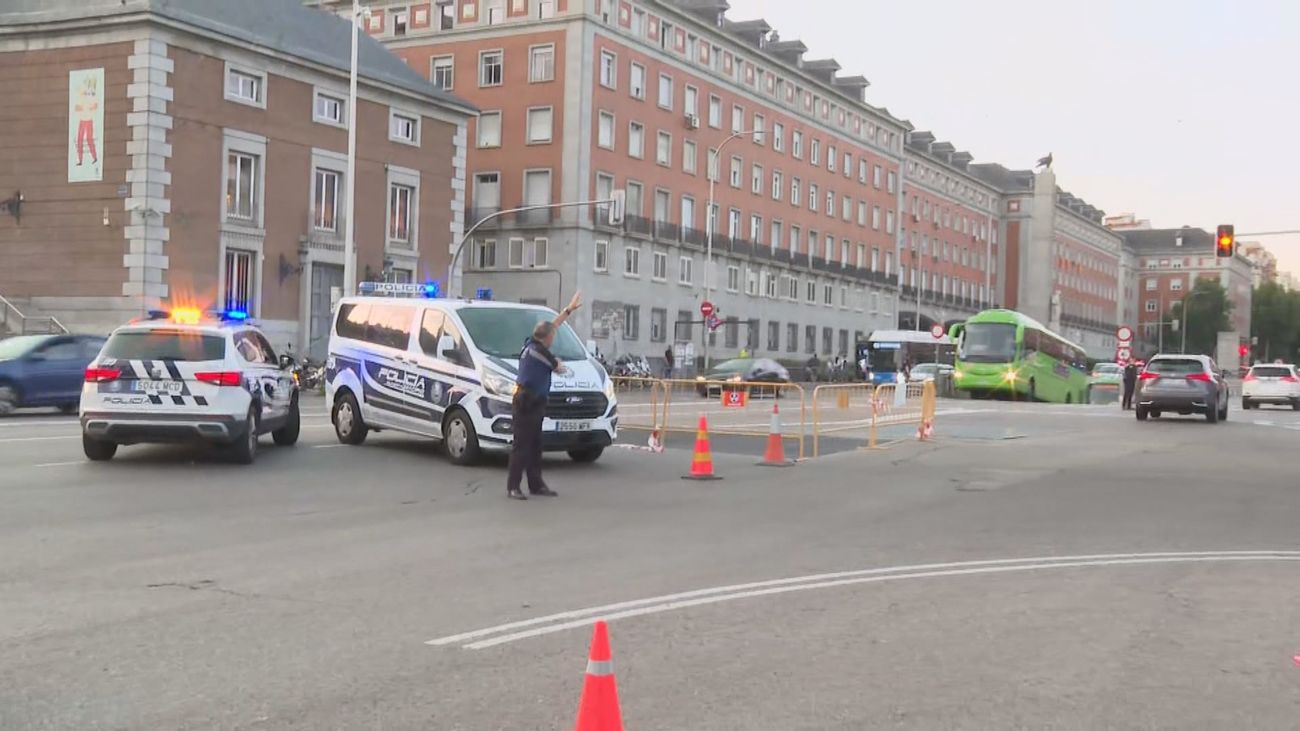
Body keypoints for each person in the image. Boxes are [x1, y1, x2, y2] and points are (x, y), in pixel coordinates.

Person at [507, 290, 583, 501]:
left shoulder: (531, 343)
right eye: (553, 336)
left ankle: (536, 485)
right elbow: (558, 367)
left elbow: (552, 326)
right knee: (522, 446)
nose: (554, 337)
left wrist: (568, 310)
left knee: (535, 445)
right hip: (527, 402)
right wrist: (559, 363)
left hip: (535, 401)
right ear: (547, 338)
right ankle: (513, 487)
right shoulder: (539, 352)